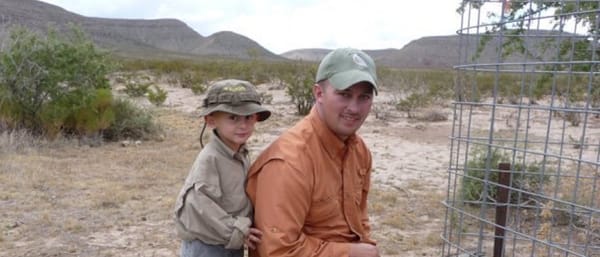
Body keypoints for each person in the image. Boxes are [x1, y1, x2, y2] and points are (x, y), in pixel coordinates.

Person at [246, 48, 380, 257]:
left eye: (364, 97)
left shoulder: (359, 151)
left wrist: (367, 246)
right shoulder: (289, 162)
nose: (354, 108)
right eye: (344, 95)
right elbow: (277, 251)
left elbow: (359, 222)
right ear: (319, 93)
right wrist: (352, 253)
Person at [174, 79, 270, 257]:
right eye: (233, 117)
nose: (243, 125)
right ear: (211, 120)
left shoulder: (240, 152)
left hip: (230, 241)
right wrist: (238, 230)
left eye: (248, 117)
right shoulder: (210, 159)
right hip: (208, 246)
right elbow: (200, 208)